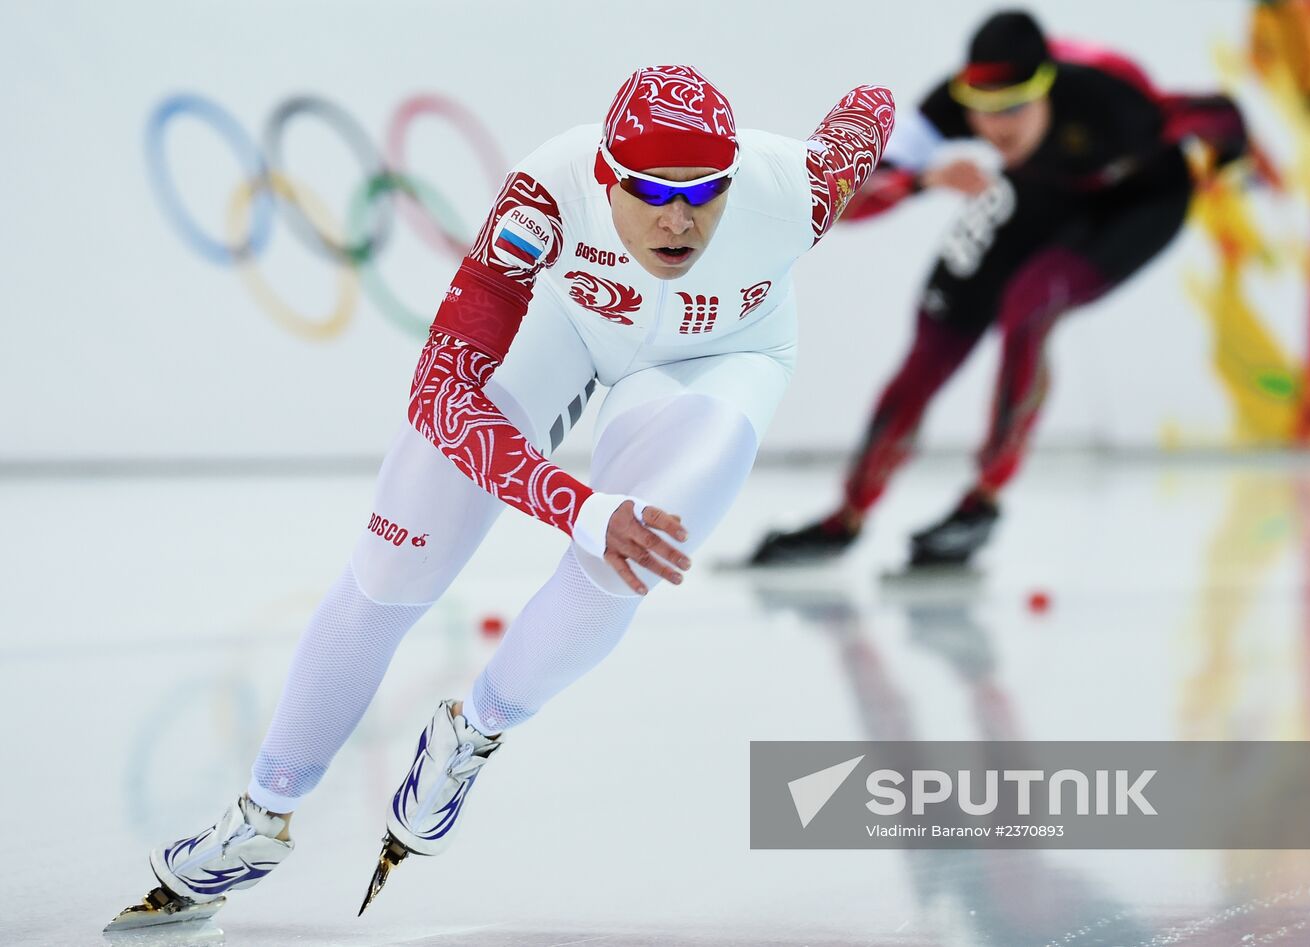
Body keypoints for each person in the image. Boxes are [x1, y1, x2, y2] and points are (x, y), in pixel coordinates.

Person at [107, 65, 893, 930]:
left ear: (733, 179)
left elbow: (869, 110)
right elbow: (441, 395)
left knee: (636, 551)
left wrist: (922, 130)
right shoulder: (544, 197)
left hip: (719, 357)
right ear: (605, 175)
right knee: (393, 559)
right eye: (650, 191)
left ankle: (471, 731)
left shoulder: (797, 192)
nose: (679, 219)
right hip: (566, 326)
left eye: (704, 192)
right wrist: (582, 504)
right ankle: (261, 816)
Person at [748, 10, 1249, 569]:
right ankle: (846, 517)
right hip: (1039, 192)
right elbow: (836, 198)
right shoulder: (950, 109)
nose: (997, 128)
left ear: (1048, 89)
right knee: (935, 334)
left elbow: (1219, 115)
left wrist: (1230, 164)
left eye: (1014, 108)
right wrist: (920, 180)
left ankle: (982, 500)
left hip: (1138, 204)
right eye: (984, 112)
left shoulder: (1113, 100)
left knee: (1031, 302)